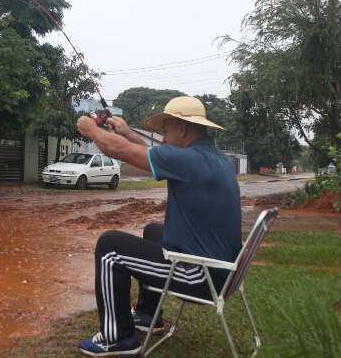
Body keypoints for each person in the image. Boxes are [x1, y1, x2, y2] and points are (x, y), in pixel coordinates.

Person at [75, 96, 242, 356]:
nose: (163, 137)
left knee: (110, 247)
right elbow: (155, 155)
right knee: (154, 230)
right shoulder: (212, 158)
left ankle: (117, 336)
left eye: (166, 130)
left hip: (201, 277)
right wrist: (128, 133)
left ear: (182, 128)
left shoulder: (189, 161)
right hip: (222, 271)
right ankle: (146, 313)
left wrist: (91, 129)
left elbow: (121, 151)